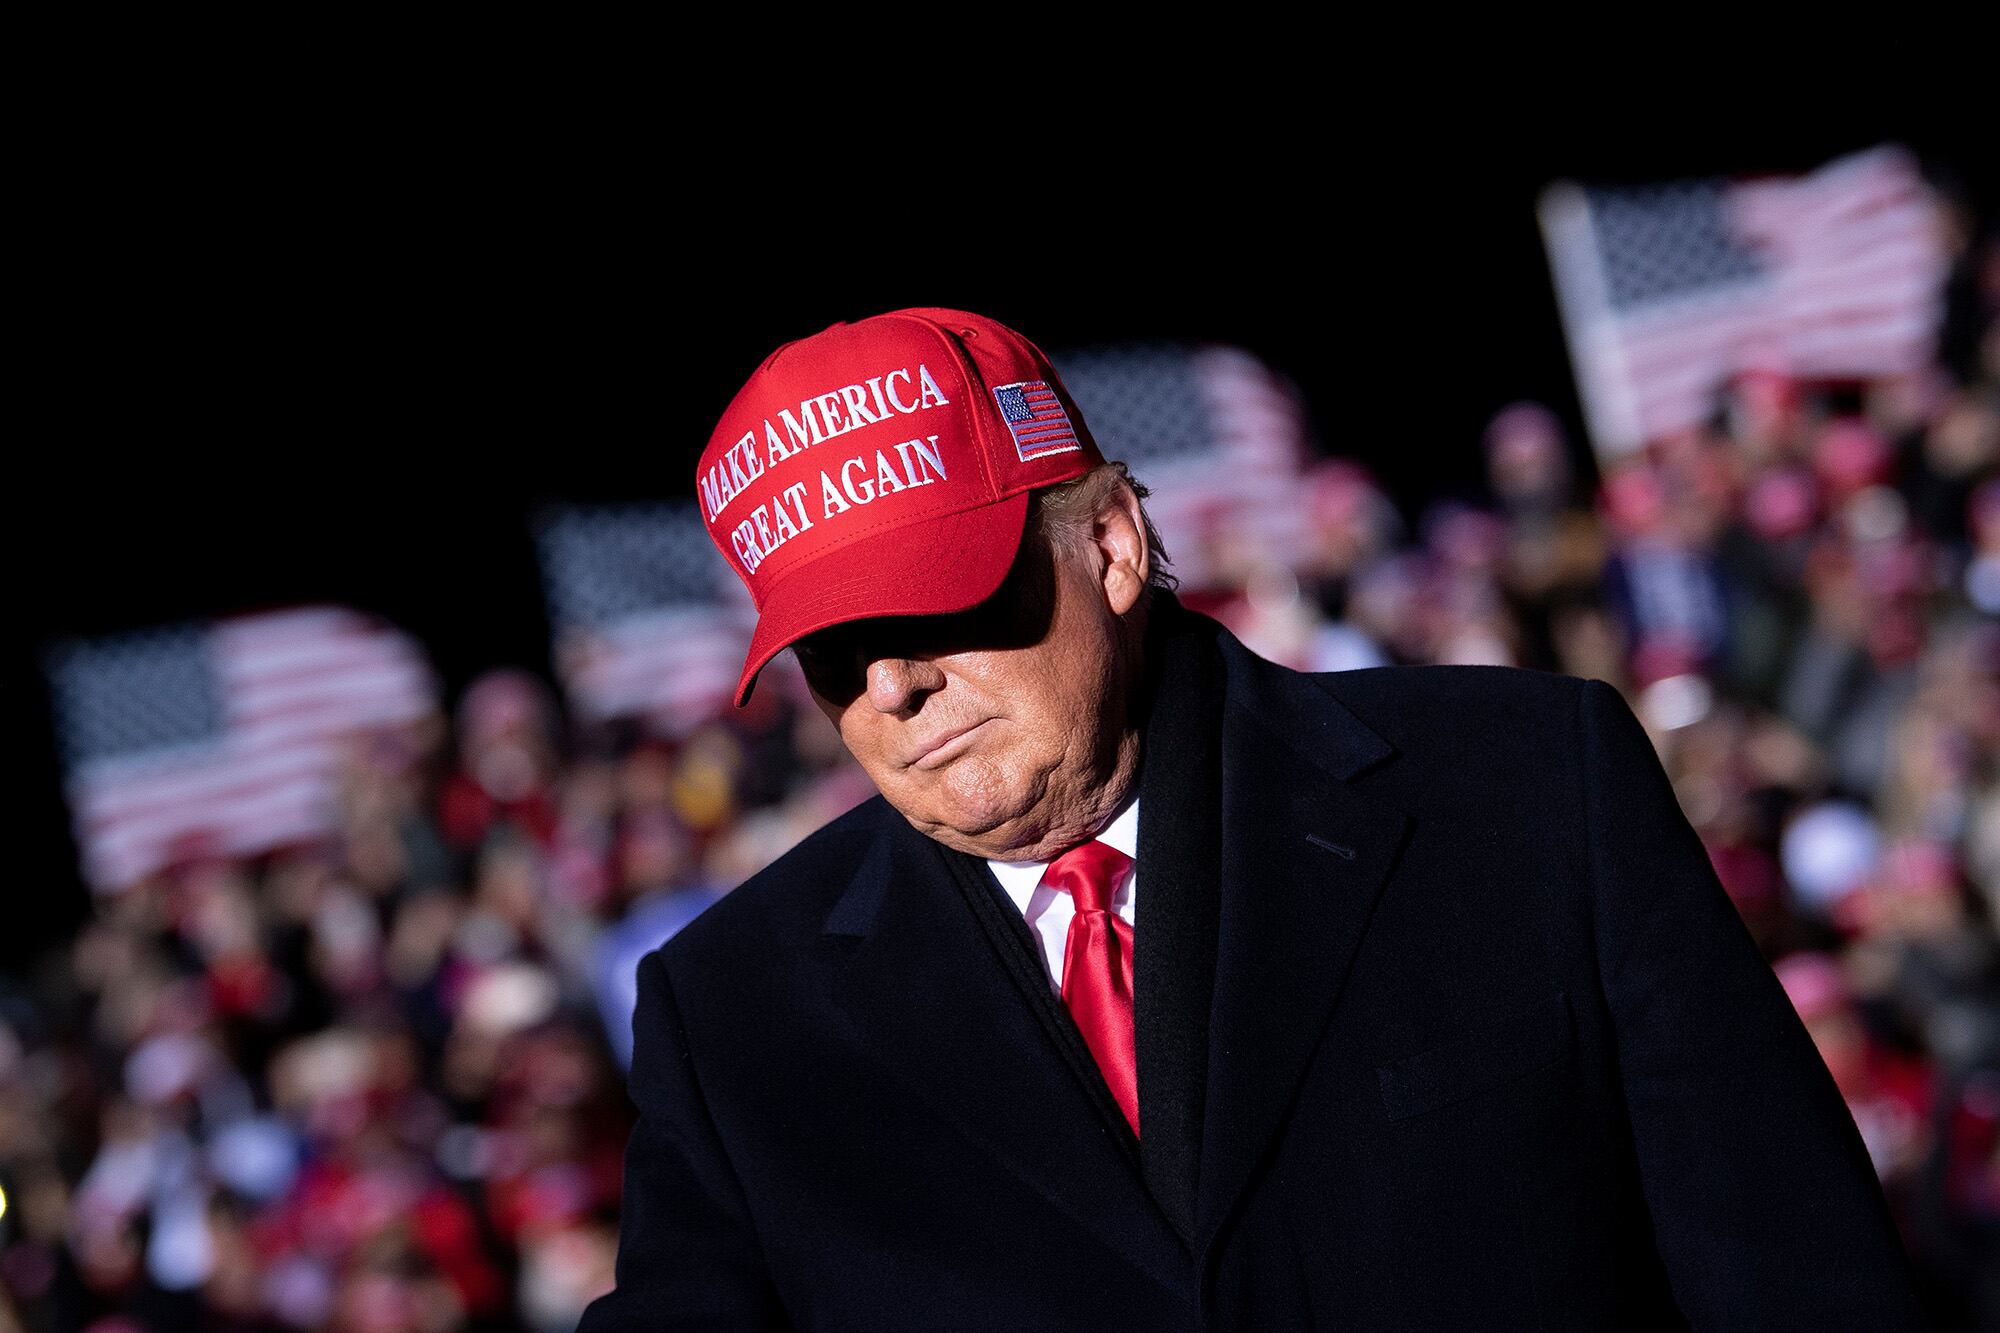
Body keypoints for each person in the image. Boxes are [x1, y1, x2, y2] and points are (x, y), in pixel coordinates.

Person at [578, 308, 1929, 1331]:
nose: (890, 683)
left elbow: (1800, 1279)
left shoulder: (1524, 792)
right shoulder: (736, 1015)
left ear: (1108, 544)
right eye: (831, 649)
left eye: (934, 600)